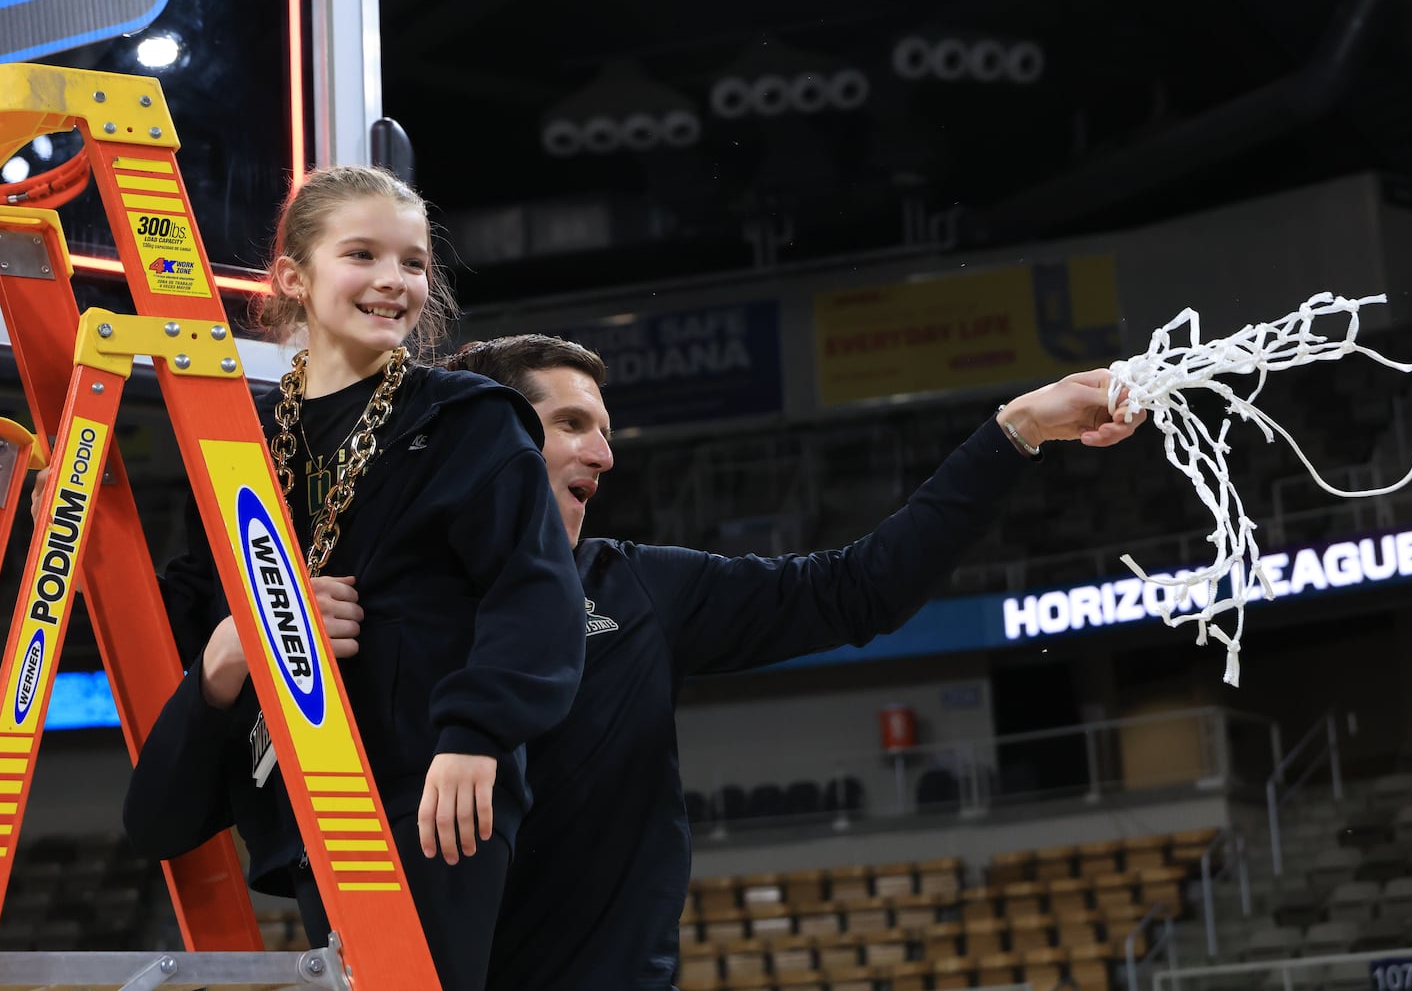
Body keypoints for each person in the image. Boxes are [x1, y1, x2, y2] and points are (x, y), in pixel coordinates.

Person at [440, 333, 1146, 990]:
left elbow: (861, 588)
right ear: (493, 438)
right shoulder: (376, 610)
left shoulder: (641, 590)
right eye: (571, 424)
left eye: (604, 430)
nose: (604, 455)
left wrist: (1017, 427)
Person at [117, 169, 587, 991]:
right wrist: (244, 640)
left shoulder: (470, 418)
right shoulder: (240, 437)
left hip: (432, 792)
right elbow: (194, 606)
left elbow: (534, 589)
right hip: (303, 793)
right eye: (362, 254)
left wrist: (477, 733)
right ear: (293, 276)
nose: (392, 281)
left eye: (412, 263)